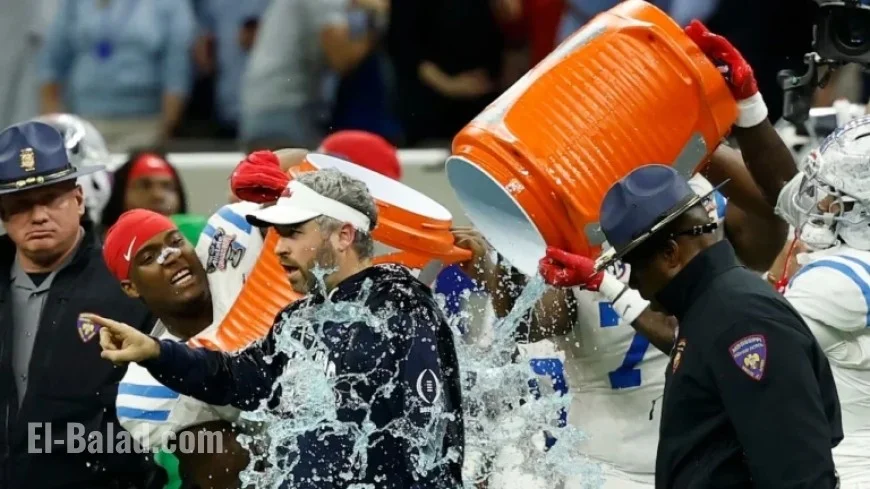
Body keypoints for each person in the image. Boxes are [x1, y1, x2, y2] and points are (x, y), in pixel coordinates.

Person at [455, 20, 797, 488]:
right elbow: (541, 323)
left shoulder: (696, 188)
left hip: (708, 457)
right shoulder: (562, 214)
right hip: (606, 468)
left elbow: (781, 211)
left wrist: (701, 129)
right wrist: (504, 260)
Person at [88, 168, 465, 488]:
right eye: (278, 236)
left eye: (293, 233)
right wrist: (156, 352)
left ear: (344, 235)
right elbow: (234, 377)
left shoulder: (402, 307)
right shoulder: (298, 319)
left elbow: (428, 442)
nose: (279, 248)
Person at [546, 163, 843, 487]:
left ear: (671, 254)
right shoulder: (712, 307)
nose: (636, 286)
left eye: (635, 269)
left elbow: (800, 474)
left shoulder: (742, 321)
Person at [0, 121, 158, 488]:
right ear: (3, 214)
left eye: (51, 199)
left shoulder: (131, 283)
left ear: (78, 199)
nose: (39, 216)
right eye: (20, 205)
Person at [104, 209, 251, 488]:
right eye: (149, 257)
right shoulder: (145, 387)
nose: (170, 255)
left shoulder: (235, 242)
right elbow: (229, 474)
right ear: (131, 288)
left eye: (175, 241)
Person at [771, 115, 870, 485]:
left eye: (834, 194)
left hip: (849, 464)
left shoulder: (837, 280)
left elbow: (748, 337)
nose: (822, 201)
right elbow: (782, 194)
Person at [101, 149, 189, 229]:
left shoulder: (195, 244)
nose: (158, 195)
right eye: (145, 186)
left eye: (167, 186)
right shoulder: (97, 245)